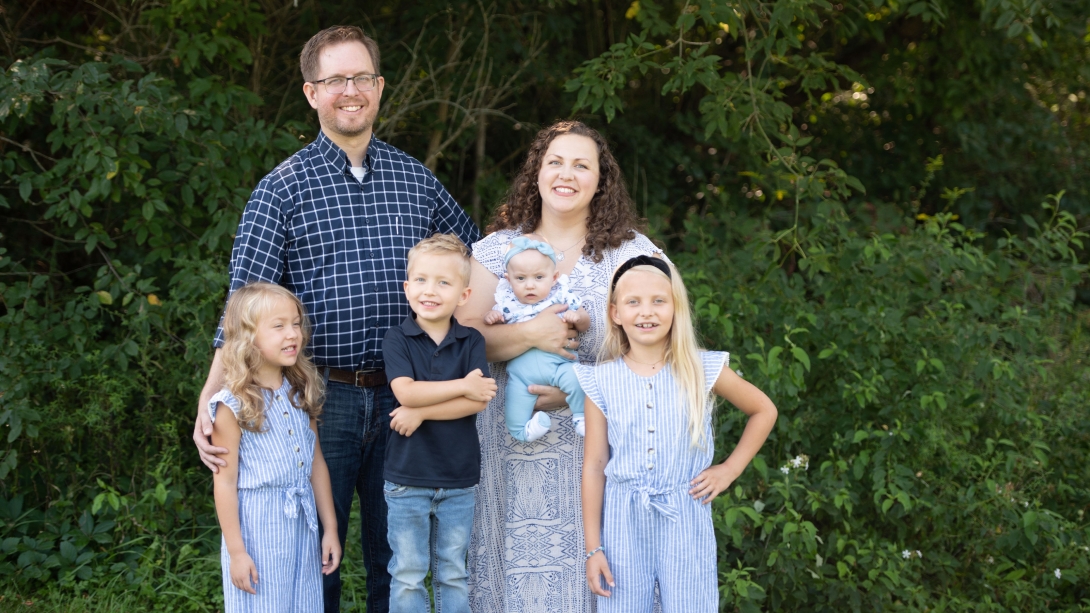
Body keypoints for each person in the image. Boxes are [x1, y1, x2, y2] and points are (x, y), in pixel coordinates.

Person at [191, 25, 480, 613]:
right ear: (310, 92)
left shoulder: (415, 179)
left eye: (361, 78)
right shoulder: (282, 189)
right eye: (335, 80)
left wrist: (542, 288)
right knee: (312, 556)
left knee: (395, 559)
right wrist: (210, 396)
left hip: (410, 397)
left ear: (379, 87)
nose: (350, 91)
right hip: (319, 400)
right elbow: (241, 308)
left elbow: (479, 257)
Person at [457, 120, 660, 613]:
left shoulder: (632, 256)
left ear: (601, 180)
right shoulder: (495, 252)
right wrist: (530, 334)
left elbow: (662, 355)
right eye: (555, 162)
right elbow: (459, 342)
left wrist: (580, 388)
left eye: (581, 165)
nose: (566, 174)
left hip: (602, 455)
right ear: (537, 173)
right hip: (507, 451)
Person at [576, 257, 778, 612]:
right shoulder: (601, 380)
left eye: (659, 300)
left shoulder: (700, 368)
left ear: (675, 308)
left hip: (685, 515)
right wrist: (594, 548)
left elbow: (764, 410)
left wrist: (729, 469)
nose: (646, 312)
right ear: (615, 313)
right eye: (633, 302)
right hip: (623, 521)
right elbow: (594, 465)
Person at [209, 282, 342, 612]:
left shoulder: (300, 389)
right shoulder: (232, 404)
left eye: (296, 323)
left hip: (301, 520)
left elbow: (315, 463)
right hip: (258, 528)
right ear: (249, 336)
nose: (292, 334)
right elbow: (224, 482)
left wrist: (331, 529)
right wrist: (237, 552)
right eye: (279, 326)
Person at [381, 234, 496, 613]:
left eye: (444, 283)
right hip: (407, 478)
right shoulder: (397, 338)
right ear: (407, 287)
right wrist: (462, 385)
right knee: (409, 573)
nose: (431, 291)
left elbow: (476, 403)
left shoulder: (471, 341)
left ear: (464, 295)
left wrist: (424, 411)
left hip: (459, 478)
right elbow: (407, 393)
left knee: (452, 573)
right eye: (422, 280)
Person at [483, 235, 590, 442]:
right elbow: (493, 330)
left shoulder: (560, 296)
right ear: (508, 279)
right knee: (514, 403)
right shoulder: (508, 303)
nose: (530, 285)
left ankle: (581, 416)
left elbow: (584, 320)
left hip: (559, 365)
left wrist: (577, 318)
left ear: (554, 277)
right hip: (522, 377)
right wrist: (492, 317)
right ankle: (523, 431)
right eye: (521, 278)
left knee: (577, 379)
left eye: (539, 277)